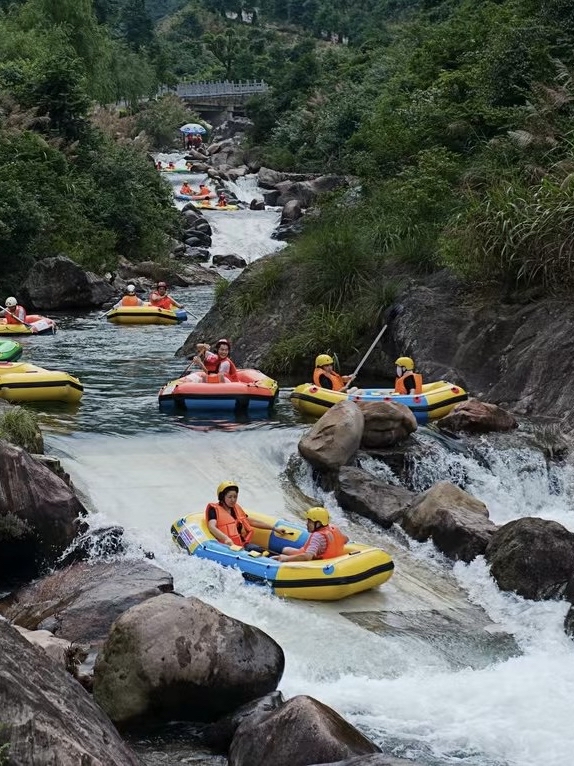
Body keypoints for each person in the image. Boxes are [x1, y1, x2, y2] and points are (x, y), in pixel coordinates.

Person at [206, 482, 287, 551]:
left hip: (242, 545)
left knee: (260, 551)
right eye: (230, 497)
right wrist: (226, 539)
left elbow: (252, 521)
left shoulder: (236, 509)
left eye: (235, 497)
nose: (233, 500)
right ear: (222, 497)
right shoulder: (214, 510)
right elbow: (211, 527)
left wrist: (275, 528)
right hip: (225, 547)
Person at [272, 507, 348, 563]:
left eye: (310, 522)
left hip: (318, 562)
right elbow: (345, 539)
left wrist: (286, 559)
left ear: (318, 524)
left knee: (285, 550)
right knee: (286, 549)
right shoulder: (333, 528)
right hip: (331, 560)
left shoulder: (317, 536)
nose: (307, 524)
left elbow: (307, 557)